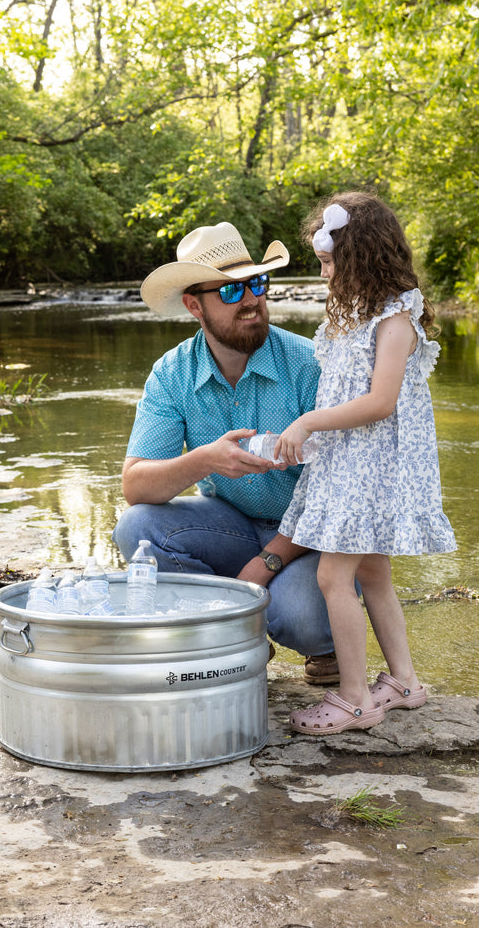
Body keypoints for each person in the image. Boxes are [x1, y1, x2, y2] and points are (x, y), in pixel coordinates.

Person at [112, 221, 338, 678]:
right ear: (194, 305)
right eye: (232, 292)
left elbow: (337, 492)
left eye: (257, 283)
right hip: (229, 526)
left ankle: (305, 641)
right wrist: (203, 461)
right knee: (136, 528)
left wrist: (266, 562)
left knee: (304, 620)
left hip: (310, 538)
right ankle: (234, 632)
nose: (252, 300)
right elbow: (135, 486)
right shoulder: (172, 373)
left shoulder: (311, 362)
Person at [277, 191, 456, 735]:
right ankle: (403, 682)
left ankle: (354, 699)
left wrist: (308, 422)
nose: (325, 274)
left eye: (331, 262)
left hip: (375, 467)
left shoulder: (396, 317)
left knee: (335, 575)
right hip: (347, 461)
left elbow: (380, 402)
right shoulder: (350, 316)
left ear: (363, 258)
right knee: (374, 570)